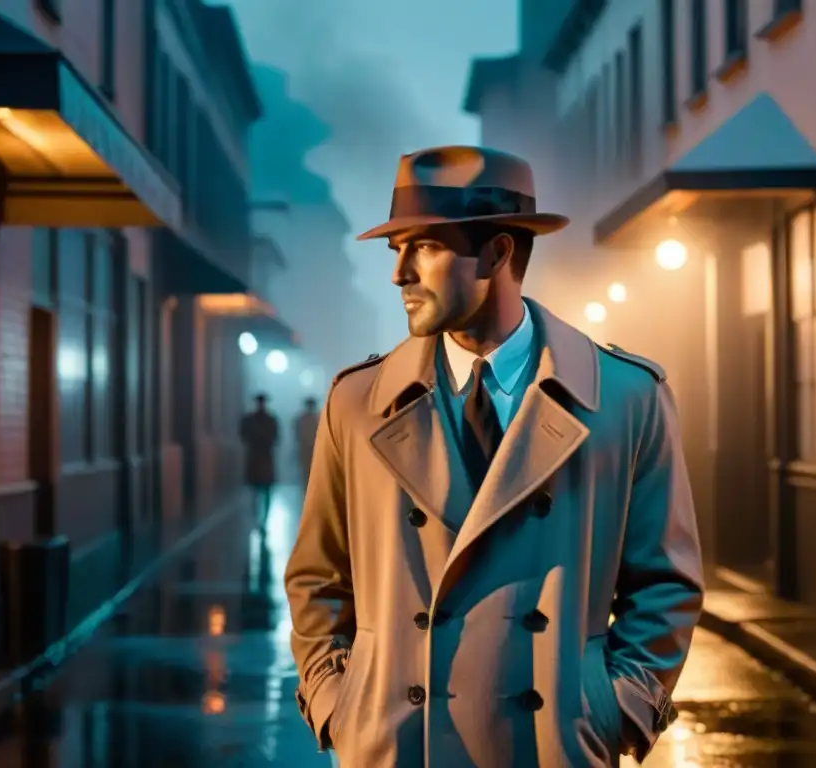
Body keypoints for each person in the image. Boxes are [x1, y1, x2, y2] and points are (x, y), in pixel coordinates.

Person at [284, 146, 704, 768]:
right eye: (395, 249)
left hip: (553, 746)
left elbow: (665, 585)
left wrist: (614, 711)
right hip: (395, 746)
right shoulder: (358, 403)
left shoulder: (624, 398)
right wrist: (339, 707)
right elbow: (317, 579)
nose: (399, 273)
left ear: (499, 253)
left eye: (423, 247)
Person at [240, 393, 278, 527]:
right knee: (257, 490)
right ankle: (258, 518)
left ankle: (262, 519)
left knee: (264, 490)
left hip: (261, 456)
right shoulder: (267, 419)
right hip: (259, 456)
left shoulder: (267, 419)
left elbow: (275, 437)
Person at [295, 396, 320, 487]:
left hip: (313, 449)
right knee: (307, 473)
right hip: (308, 449)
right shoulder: (318, 418)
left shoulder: (302, 419)